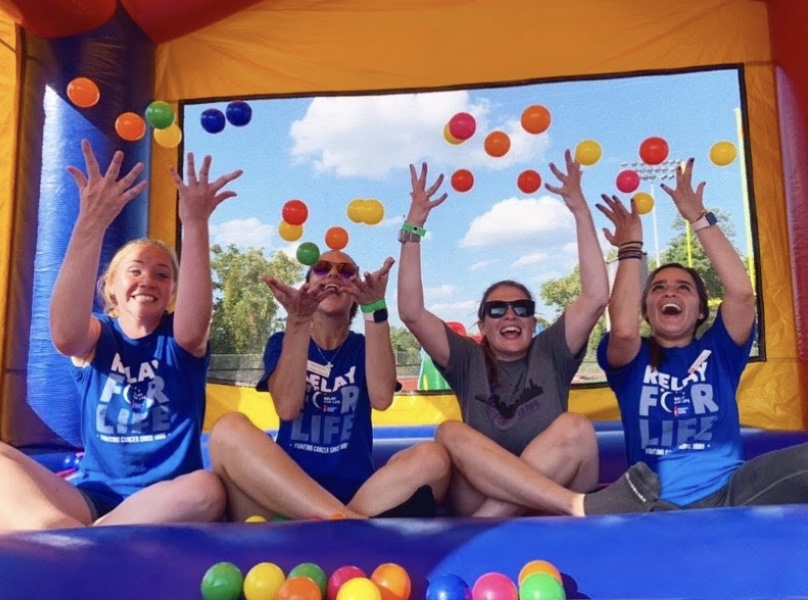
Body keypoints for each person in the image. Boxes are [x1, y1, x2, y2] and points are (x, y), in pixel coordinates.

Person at [0, 140, 242, 531]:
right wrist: (90, 223)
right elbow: (64, 335)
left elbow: (194, 325)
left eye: (162, 274)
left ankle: (72, 540)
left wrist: (195, 224)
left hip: (165, 499)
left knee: (207, 489)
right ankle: (58, 530)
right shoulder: (98, 337)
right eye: (135, 270)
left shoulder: (179, 343)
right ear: (110, 286)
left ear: (172, 292)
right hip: (92, 498)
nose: (148, 278)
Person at [397, 150, 616, 517]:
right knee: (449, 432)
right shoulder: (467, 359)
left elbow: (596, 296)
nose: (510, 315)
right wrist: (413, 229)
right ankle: (503, 516)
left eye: (522, 309)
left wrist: (580, 209)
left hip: (534, 494)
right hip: (485, 495)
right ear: (481, 325)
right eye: (496, 310)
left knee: (575, 427)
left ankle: (485, 526)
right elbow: (411, 312)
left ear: (533, 322)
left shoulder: (552, 352)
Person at [593, 157, 808, 511]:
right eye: (659, 288)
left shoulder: (719, 351)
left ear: (701, 309)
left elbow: (740, 293)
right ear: (646, 308)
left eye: (683, 288)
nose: (670, 293)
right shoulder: (633, 359)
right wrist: (630, 248)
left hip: (731, 493)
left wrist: (698, 217)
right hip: (657, 504)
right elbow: (625, 329)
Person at [209, 250, 451, 521]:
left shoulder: (363, 346)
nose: (334, 274)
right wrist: (298, 321)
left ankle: (341, 518)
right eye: (323, 268)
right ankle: (342, 520)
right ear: (308, 284)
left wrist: (375, 309)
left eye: (346, 271)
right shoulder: (282, 340)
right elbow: (287, 408)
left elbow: (382, 399)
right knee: (227, 430)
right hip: (286, 497)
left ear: (356, 291)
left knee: (433, 457)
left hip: (358, 497)